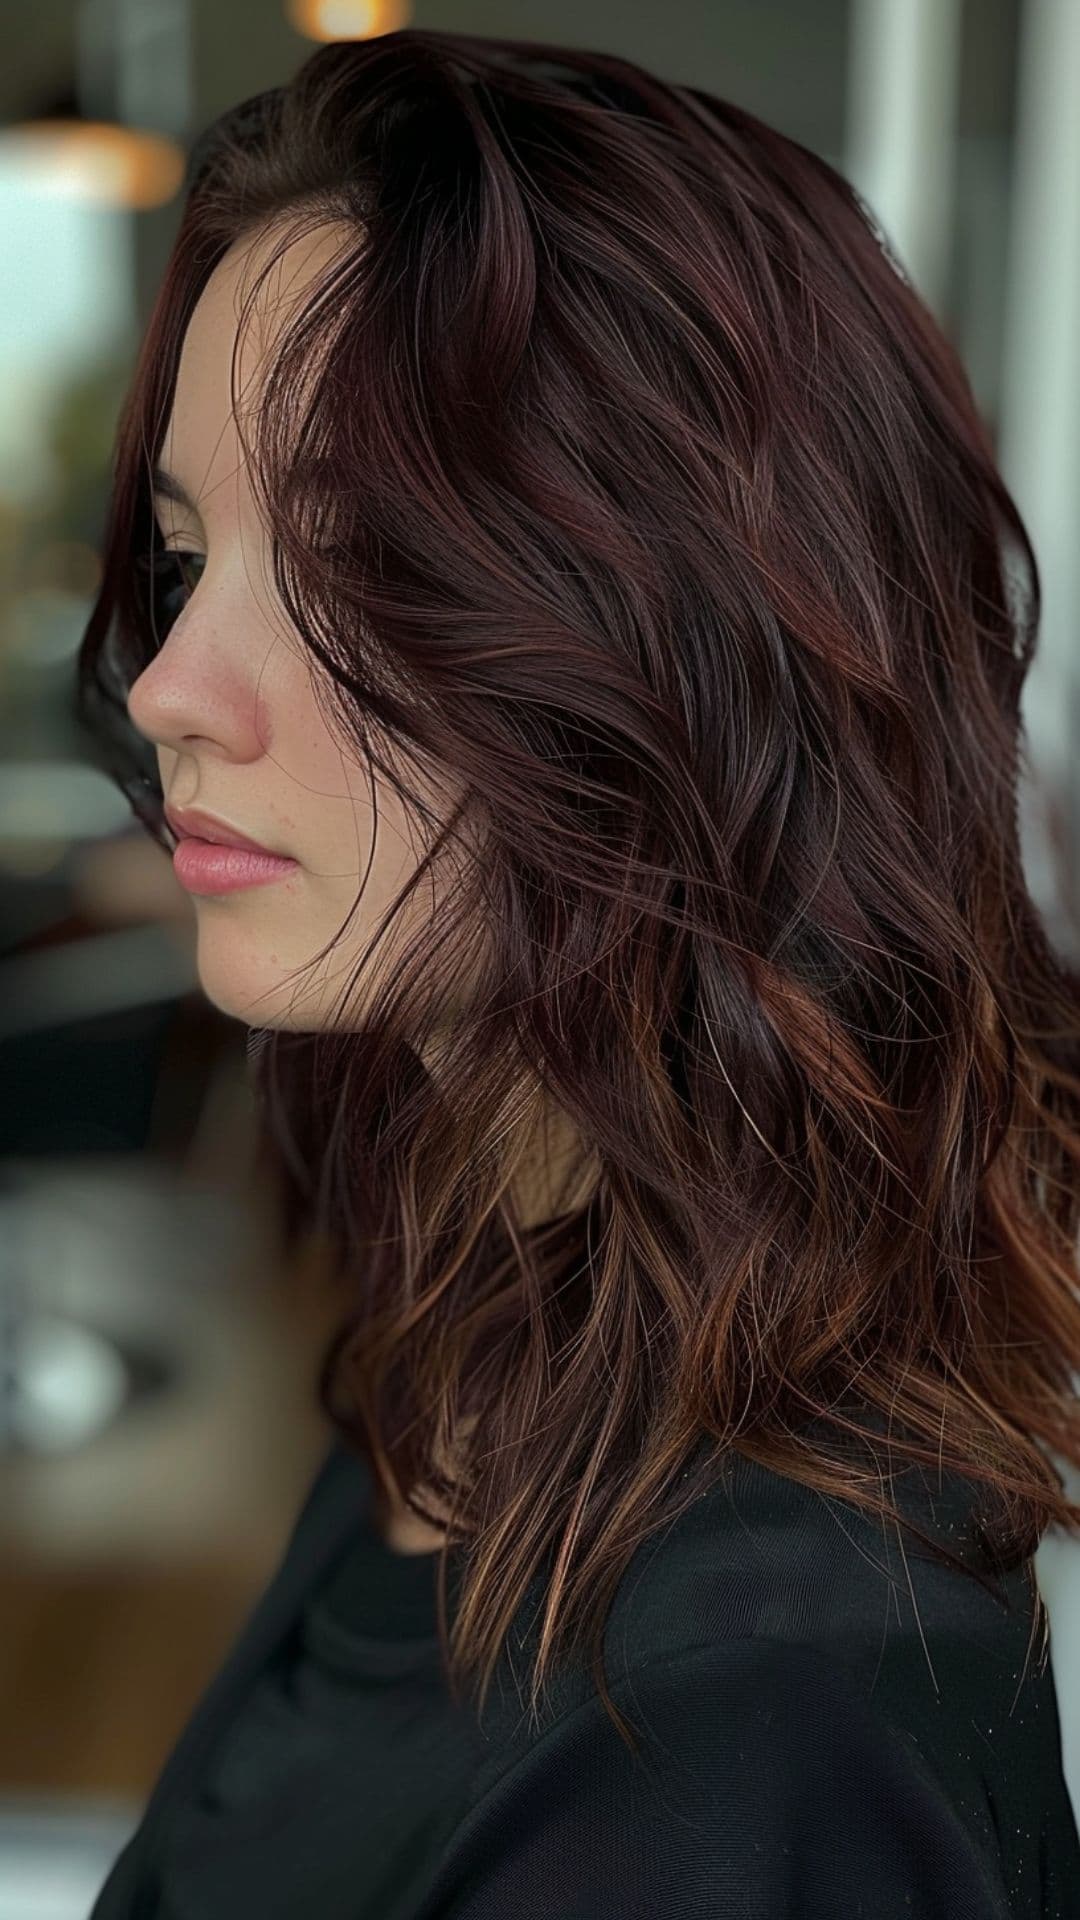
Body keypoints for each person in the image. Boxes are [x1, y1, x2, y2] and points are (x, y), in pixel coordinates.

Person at [76, 27, 1080, 1918]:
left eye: (361, 570)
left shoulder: (743, 1736)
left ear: (692, 649)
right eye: (193, 558)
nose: (165, 687)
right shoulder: (490, 1369)